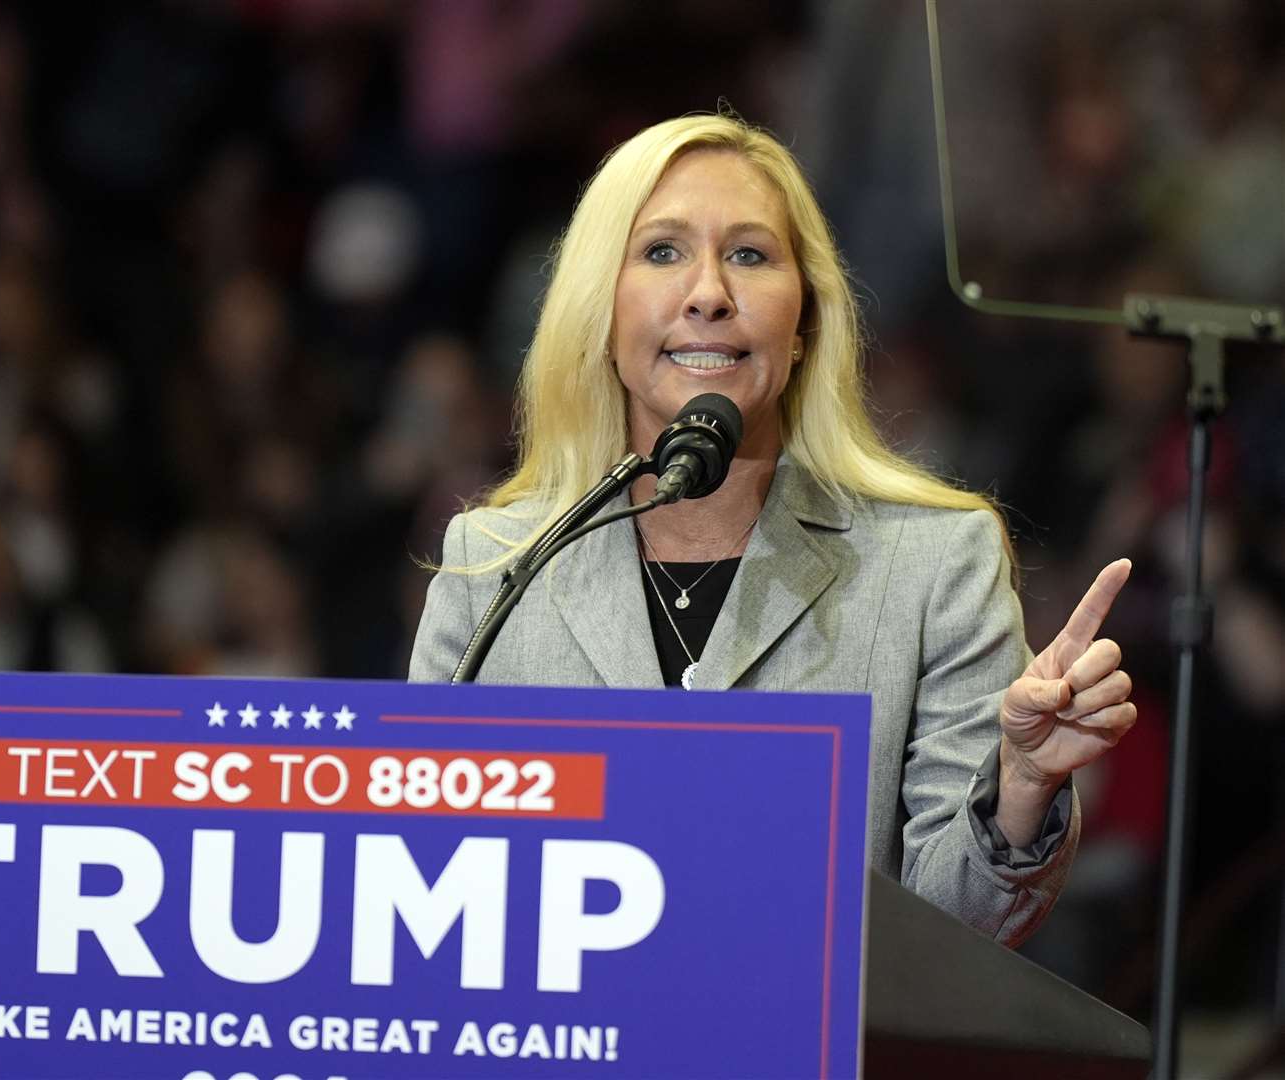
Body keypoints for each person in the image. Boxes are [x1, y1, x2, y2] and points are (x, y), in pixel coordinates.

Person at [409, 114, 1136, 947]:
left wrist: (1020, 784)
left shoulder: (932, 563)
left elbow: (955, 941)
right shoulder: (497, 566)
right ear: (599, 314)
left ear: (803, 329)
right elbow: (427, 883)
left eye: (750, 255)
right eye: (661, 251)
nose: (710, 292)